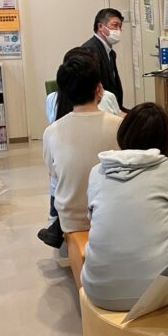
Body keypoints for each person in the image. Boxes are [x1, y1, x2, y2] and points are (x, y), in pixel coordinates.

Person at [81, 103, 168, 311]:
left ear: (124, 133)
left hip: (98, 291)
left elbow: (92, 220)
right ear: (165, 138)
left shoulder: (97, 171)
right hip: (159, 293)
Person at [38, 47, 124, 248]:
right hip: (112, 215)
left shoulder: (51, 132)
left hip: (70, 220)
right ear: (99, 89)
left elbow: (54, 176)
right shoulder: (120, 126)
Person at [82, 8, 125, 110]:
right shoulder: (90, 50)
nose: (118, 30)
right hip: (98, 109)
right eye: (115, 25)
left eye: (120, 26)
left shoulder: (111, 53)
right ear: (101, 27)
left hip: (113, 107)